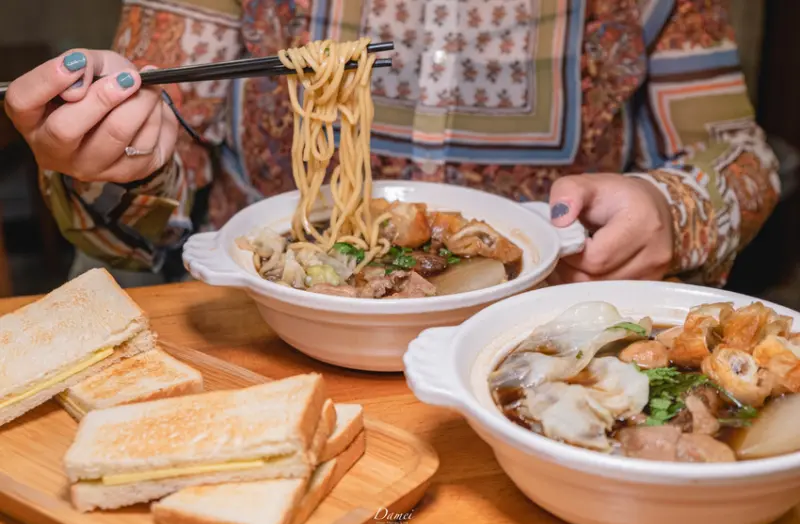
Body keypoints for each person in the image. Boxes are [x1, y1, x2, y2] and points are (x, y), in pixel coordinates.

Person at [4, 0, 779, 288]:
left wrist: (670, 206)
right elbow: (144, 217)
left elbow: (740, 154)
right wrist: (110, 159)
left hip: (530, 337)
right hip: (266, 327)